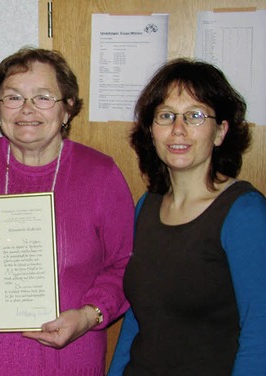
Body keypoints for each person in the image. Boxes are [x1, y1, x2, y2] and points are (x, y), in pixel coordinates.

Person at [0, 47, 134, 375]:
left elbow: (126, 262)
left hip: (68, 360)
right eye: (13, 97)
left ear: (68, 108)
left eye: (43, 97)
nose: (27, 110)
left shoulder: (101, 174)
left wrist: (89, 316)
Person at [107, 59, 266, 375]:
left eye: (195, 115)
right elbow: (139, 317)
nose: (178, 129)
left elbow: (260, 334)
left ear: (220, 131)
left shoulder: (245, 213)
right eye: (166, 116)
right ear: (151, 130)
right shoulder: (146, 207)